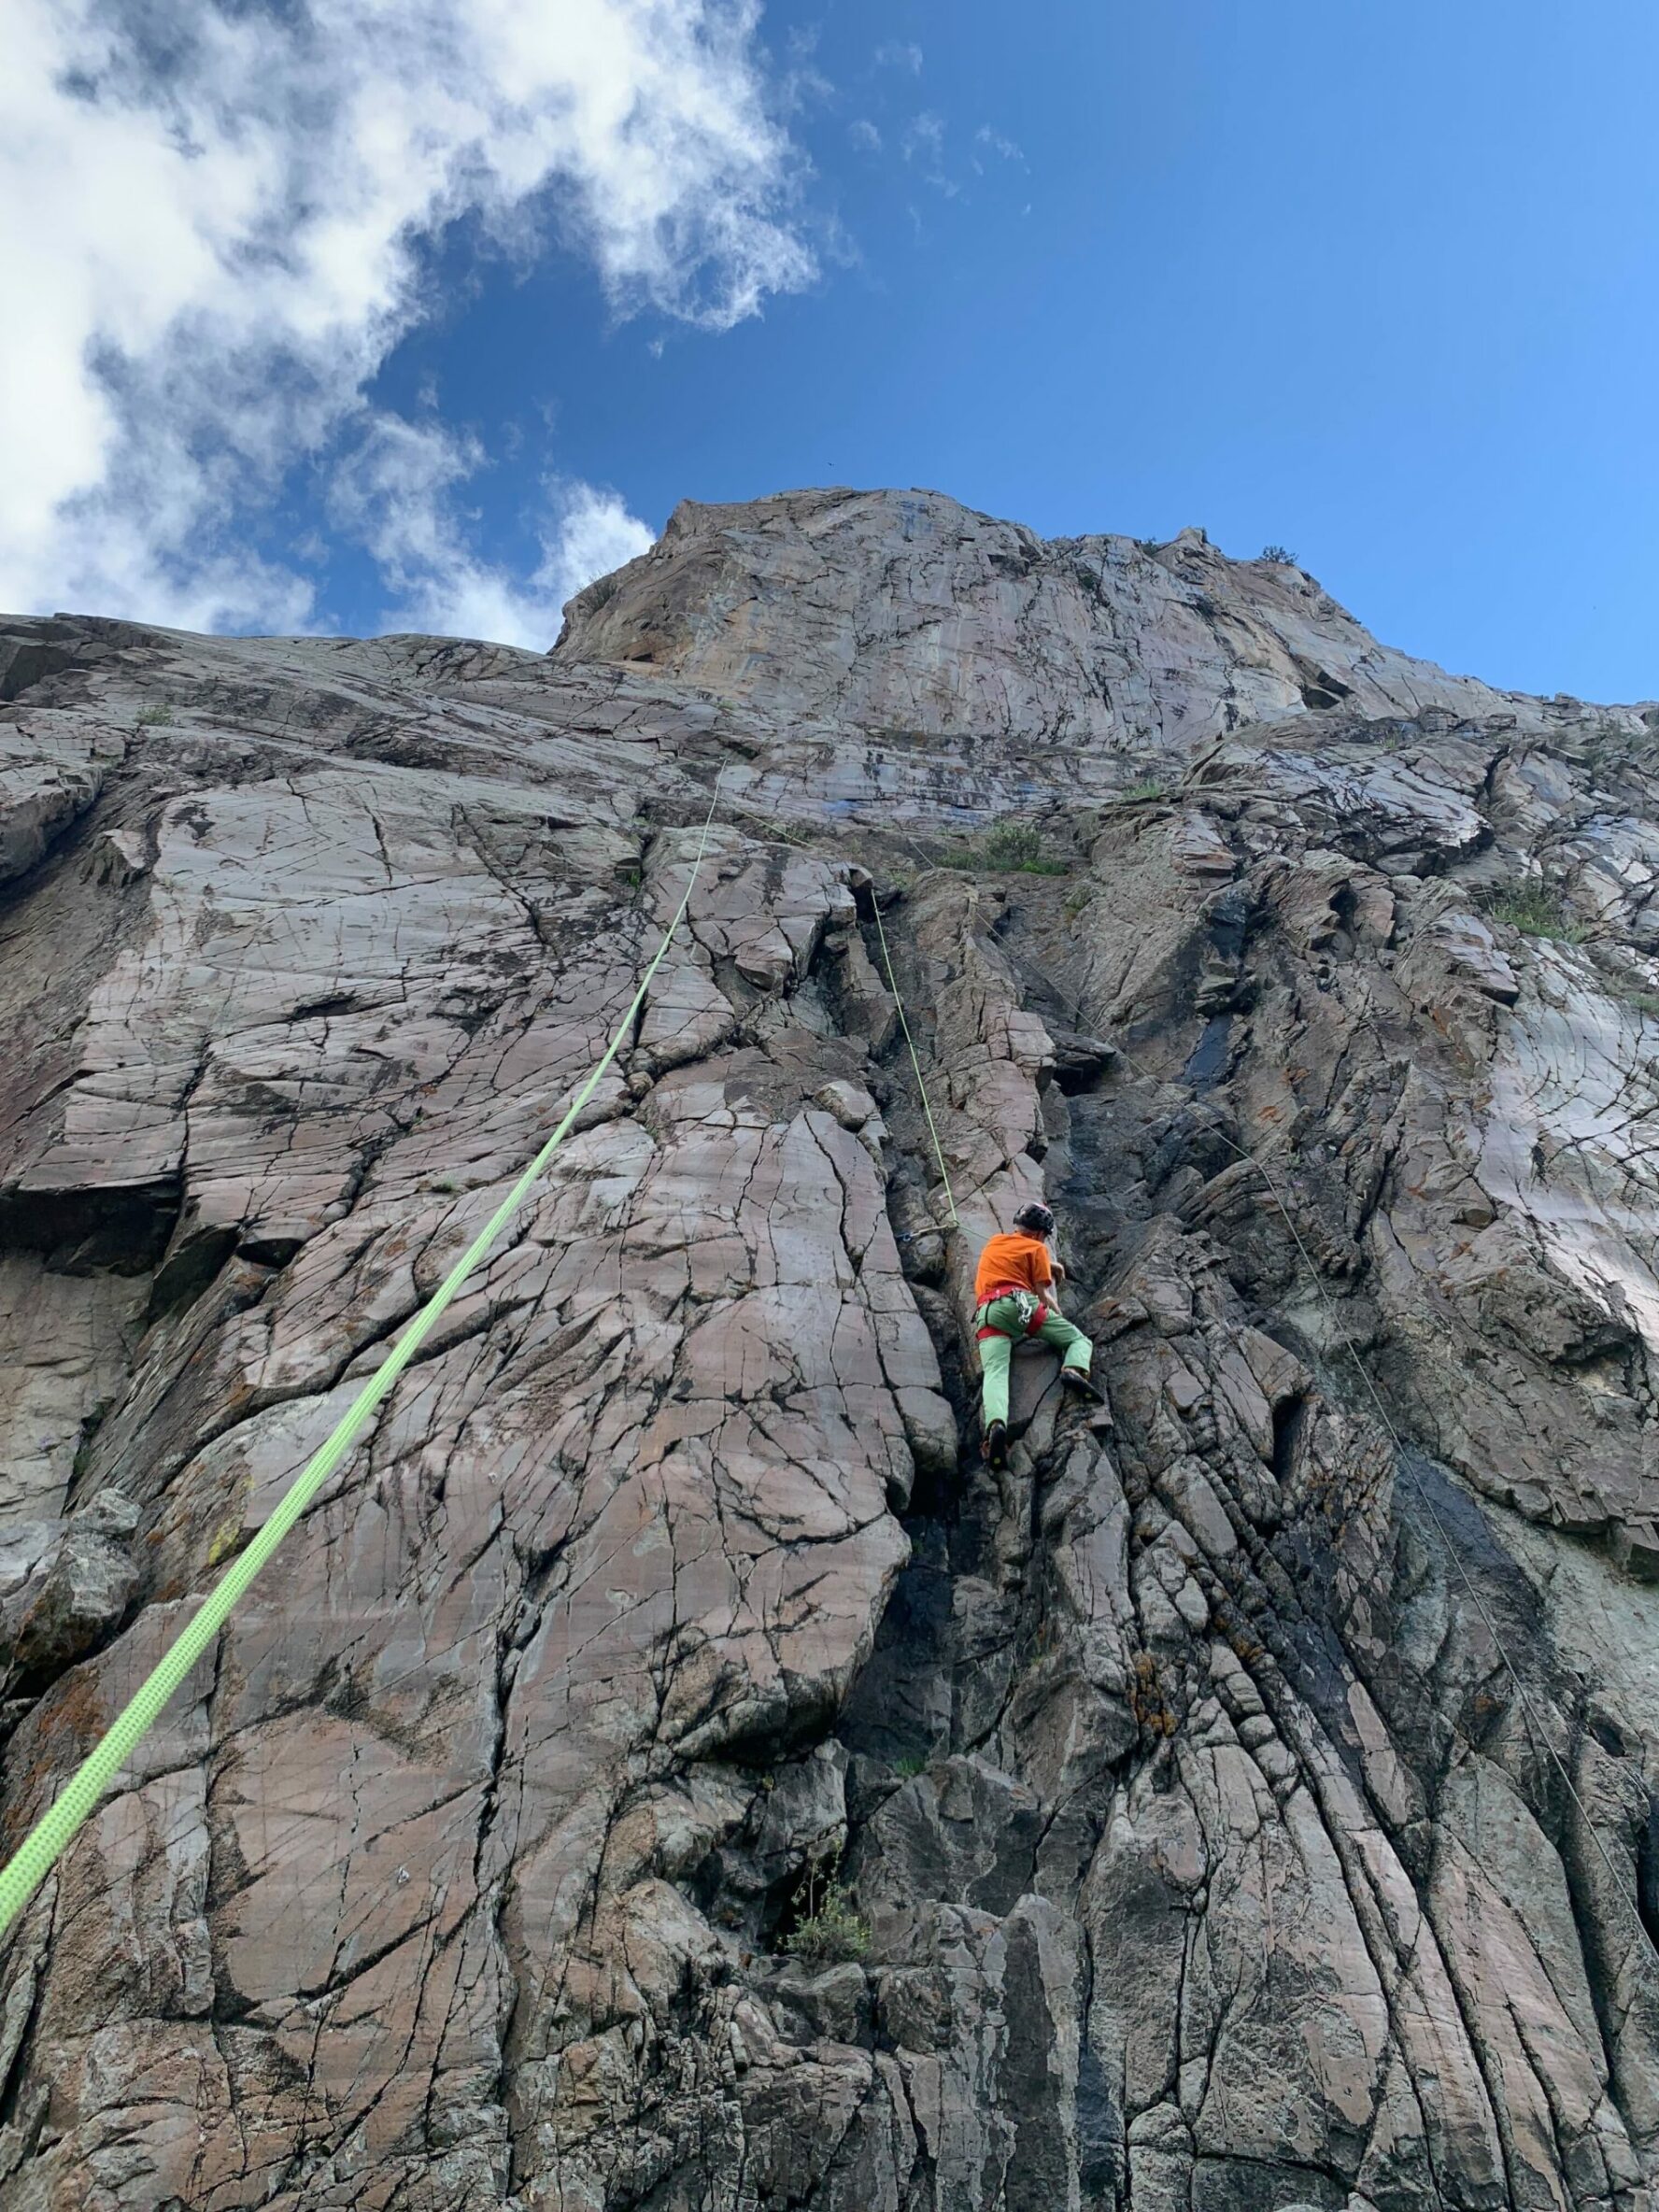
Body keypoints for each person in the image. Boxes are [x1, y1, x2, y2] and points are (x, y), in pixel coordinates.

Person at [972, 1200, 1103, 1470]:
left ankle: (996, 1426)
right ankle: (1074, 1369)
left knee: (996, 1372)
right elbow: (1042, 1296)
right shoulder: (1037, 1248)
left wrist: (1049, 1265)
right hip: (1020, 1306)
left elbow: (1019, 1258)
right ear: (1040, 1234)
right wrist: (1060, 1318)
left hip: (987, 1312)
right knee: (1078, 1340)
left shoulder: (995, 1241)